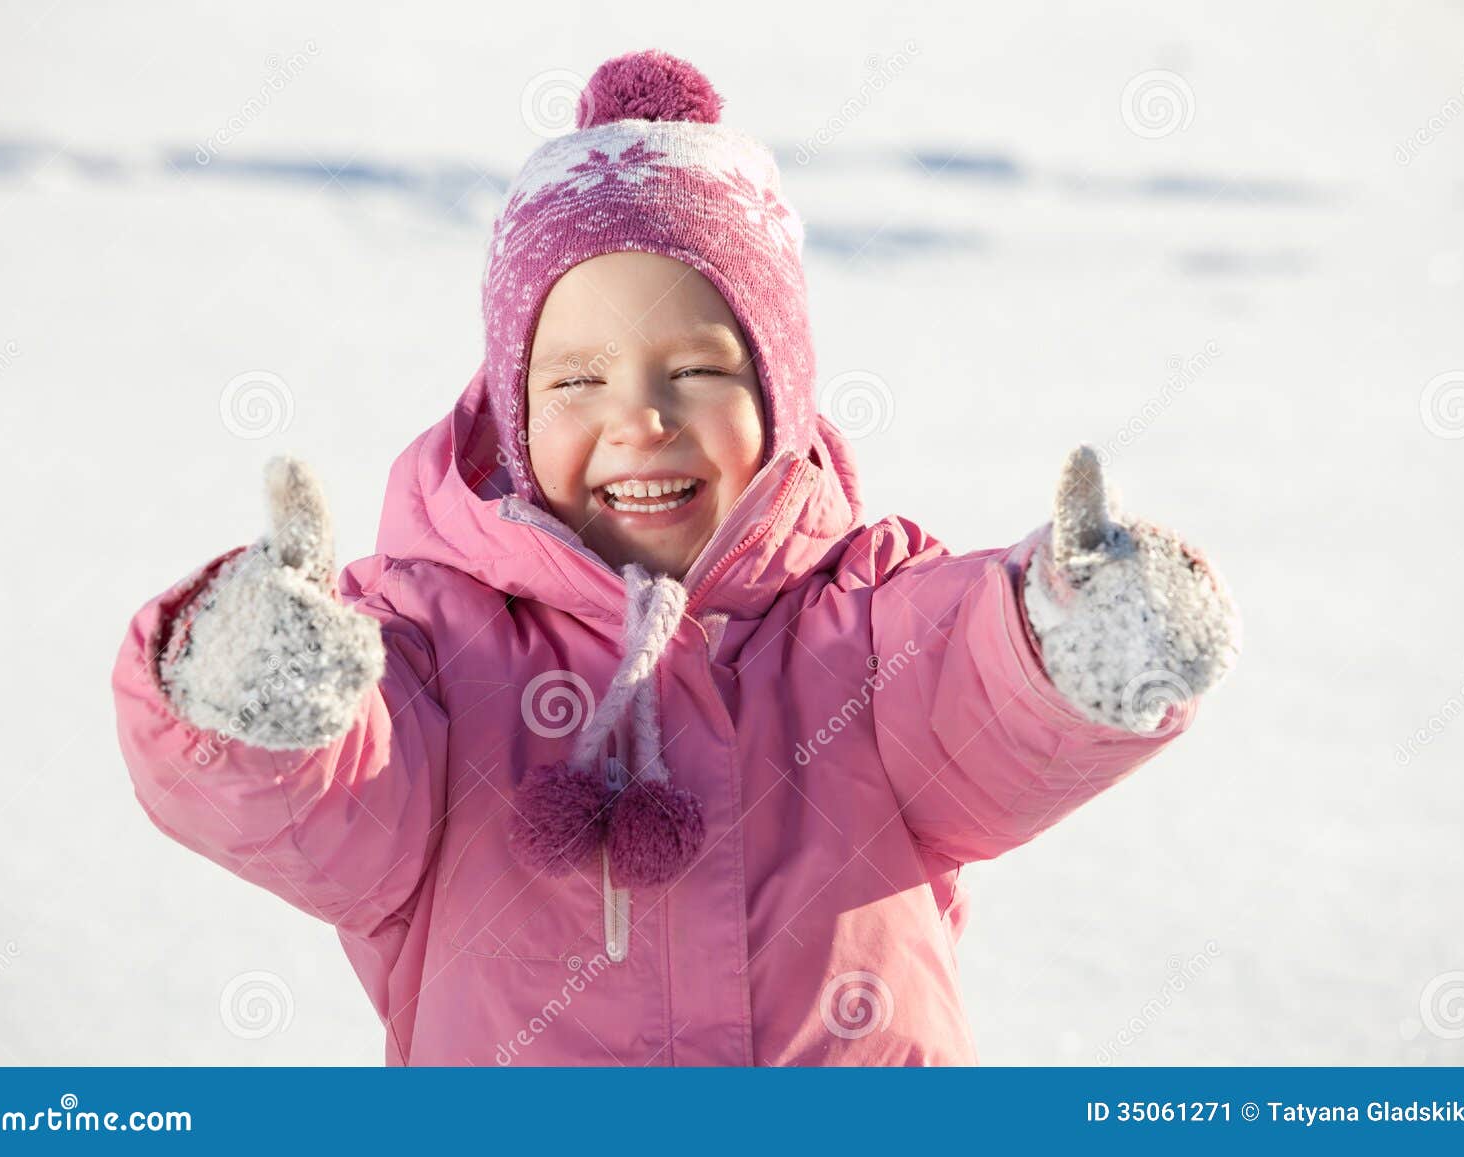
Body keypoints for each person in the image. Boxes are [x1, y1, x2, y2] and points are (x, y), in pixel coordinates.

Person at [111, 49, 1240, 1065]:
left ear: (781, 396)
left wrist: (1073, 632)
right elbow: (332, 803)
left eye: (696, 371)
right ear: (511, 408)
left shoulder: (856, 617)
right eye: (576, 379)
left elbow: (985, 696)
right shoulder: (433, 645)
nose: (639, 418)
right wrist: (257, 696)